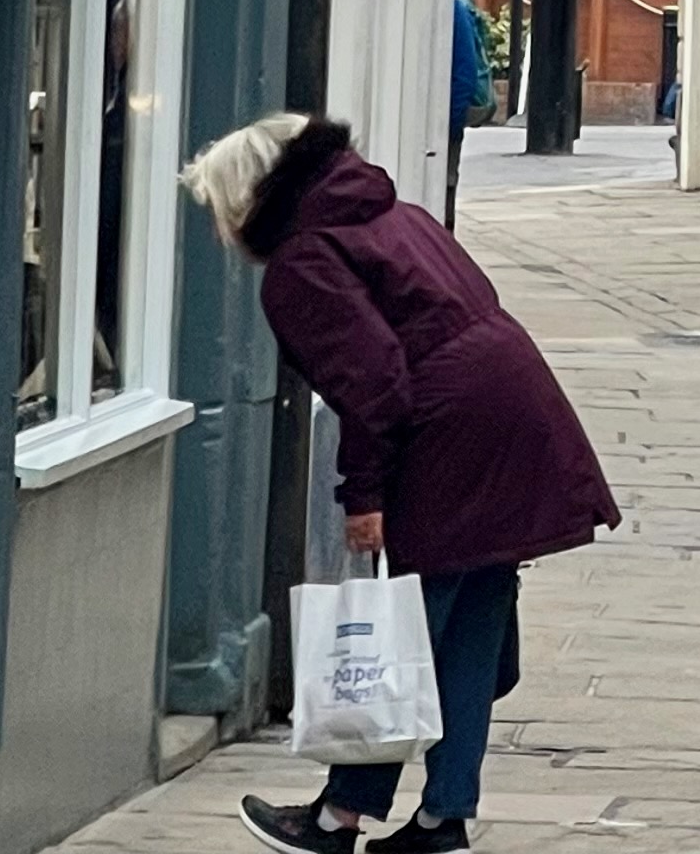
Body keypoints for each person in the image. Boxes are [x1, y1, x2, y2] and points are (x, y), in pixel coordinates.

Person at [186, 110, 618, 854]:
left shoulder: (303, 262)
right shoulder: (395, 215)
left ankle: (339, 818)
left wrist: (365, 496)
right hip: (514, 403)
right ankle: (443, 817)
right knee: (471, 622)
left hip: (448, 432)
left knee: (404, 632)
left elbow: (373, 383)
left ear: (245, 198)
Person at [443, 0, 493, 230]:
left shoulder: (452, 10)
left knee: (444, 189)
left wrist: (450, 127)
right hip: (444, 122)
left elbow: (465, 76)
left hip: (445, 125)